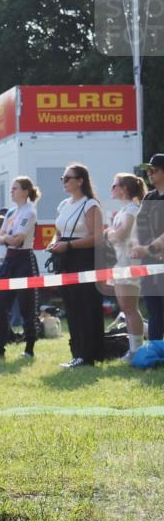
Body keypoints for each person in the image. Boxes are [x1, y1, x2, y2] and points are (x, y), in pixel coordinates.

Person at [47, 163, 105, 367]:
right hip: (66, 259)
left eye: (67, 178)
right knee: (71, 306)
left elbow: (97, 237)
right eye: (62, 178)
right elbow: (59, 230)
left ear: (80, 181)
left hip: (85, 259)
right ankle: (77, 352)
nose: (64, 181)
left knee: (85, 306)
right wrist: (55, 242)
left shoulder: (90, 205)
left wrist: (68, 245)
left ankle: (89, 354)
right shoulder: (64, 205)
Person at [0, 177, 41, 359]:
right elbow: (0, 237)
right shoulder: (11, 212)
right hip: (8, 260)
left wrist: (7, 238)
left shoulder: (29, 212)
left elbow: (18, 239)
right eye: (11, 188)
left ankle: (29, 347)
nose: (11, 191)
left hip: (24, 260)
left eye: (15, 188)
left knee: (27, 305)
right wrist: (7, 238)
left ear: (25, 191)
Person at [105, 173, 146, 361]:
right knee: (127, 308)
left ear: (125, 189)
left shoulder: (131, 209)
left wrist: (111, 233)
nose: (111, 189)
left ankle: (136, 350)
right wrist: (112, 233)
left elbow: (121, 235)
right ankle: (138, 344)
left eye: (114, 186)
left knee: (129, 308)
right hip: (122, 262)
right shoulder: (125, 209)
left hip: (129, 263)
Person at [132, 153, 164, 341]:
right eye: (148, 171)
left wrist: (151, 248)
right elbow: (138, 225)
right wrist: (137, 245)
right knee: (153, 309)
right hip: (149, 260)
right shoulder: (149, 197)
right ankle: (155, 352)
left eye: (154, 170)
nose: (150, 174)